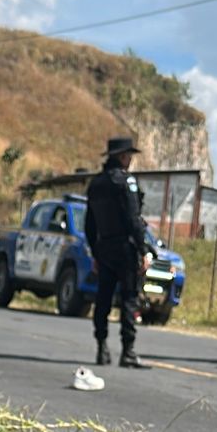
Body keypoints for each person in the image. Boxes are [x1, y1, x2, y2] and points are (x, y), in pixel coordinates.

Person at [85, 135, 157, 369]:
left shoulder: (96, 184)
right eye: (128, 156)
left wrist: (95, 252)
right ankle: (128, 351)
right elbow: (133, 219)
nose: (130, 160)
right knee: (129, 298)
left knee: (103, 299)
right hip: (125, 248)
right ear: (122, 157)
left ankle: (102, 348)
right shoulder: (126, 182)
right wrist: (143, 249)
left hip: (104, 247)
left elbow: (90, 223)